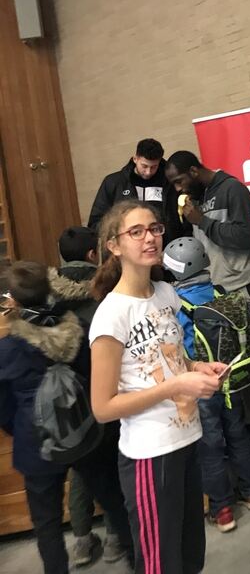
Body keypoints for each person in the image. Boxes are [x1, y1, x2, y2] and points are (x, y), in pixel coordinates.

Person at [89, 201, 225, 574]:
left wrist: (200, 368)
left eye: (155, 228)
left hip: (186, 440)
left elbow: (174, 361)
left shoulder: (165, 293)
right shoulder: (111, 315)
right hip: (150, 456)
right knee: (161, 564)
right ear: (114, 245)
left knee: (190, 556)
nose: (149, 237)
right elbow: (103, 407)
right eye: (136, 231)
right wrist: (175, 386)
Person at [0, 261, 133, 574]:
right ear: (51, 290)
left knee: (46, 524)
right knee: (115, 503)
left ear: (12, 301)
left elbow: (4, 406)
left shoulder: (8, 349)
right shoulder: (79, 326)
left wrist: (19, 429)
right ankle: (138, 561)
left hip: (36, 443)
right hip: (87, 430)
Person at [165, 151, 250, 476]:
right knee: (227, 365)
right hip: (215, 291)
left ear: (194, 170)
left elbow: (245, 237)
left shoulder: (232, 189)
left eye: (179, 180)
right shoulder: (196, 197)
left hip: (240, 287)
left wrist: (201, 221)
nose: (178, 188)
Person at [163, 237, 250, 533]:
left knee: (210, 447)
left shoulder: (177, 304)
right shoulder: (219, 291)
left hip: (201, 385)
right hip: (230, 379)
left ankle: (222, 510)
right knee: (238, 435)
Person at [49, 225, 127, 566]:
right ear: (94, 256)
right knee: (111, 464)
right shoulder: (105, 294)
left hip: (67, 399)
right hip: (106, 391)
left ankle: (81, 540)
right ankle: (114, 537)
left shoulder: (45, 296)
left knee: (81, 469)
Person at [87, 138, 188, 243]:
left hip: (169, 247)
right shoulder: (114, 182)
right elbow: (96, 223)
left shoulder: (170, 183)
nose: (148, 172)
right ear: (135, 159)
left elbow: (185, 219)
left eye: (154, 167)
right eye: (144, 166)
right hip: (128, 249)